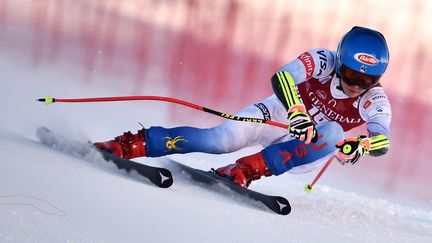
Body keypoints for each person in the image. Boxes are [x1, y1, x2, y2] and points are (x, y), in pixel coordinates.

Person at [94, 26, 391, 188]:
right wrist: (296, 111)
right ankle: (130, 144)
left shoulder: (374, 99)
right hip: (278, 114)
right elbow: (284, 76)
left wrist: (362, 145)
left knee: (335, 133)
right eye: (352, 74)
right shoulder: (325, 59)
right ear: (341, 62)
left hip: (306, 147)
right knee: (221, 140)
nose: (357, 84)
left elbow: (383, 139)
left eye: (368, 79)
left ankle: (246, 170)